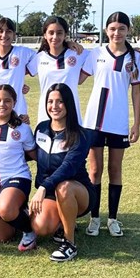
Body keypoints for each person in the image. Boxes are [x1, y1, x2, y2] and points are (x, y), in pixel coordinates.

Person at [81, 11, 140, 237]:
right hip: (94, 122)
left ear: (128, 31)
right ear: (106, 30)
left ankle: (113, 219)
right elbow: (76, 77)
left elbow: (136, 92)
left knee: (115, 169)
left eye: (121, 29)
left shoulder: (135, 57)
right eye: (112, 28)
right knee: (95, 170)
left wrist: (136, 123)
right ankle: (95, 218)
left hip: (118, 122)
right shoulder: (95, 53)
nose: (116, 33)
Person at [30, 83, 95, 262]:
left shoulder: (80, 135)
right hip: (51, 193)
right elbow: (30, 153)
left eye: (60, 102)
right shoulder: (41, 128)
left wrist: (43, 188)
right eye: (50, 101)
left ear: (68, 104)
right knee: (40, 227)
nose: (54, 106)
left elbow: (68, 168)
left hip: (77, 193)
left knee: (64, 186)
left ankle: (69, 243)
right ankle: (63, 223)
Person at [0, 84, 36, 251]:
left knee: (5, 209)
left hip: (17, 177)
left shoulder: (23, 128)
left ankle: (30, 231)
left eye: (7, 101)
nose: (2, 104)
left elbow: (34, 154)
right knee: (3, 237)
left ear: (14, 103)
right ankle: (21, 212)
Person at [27, 16, 89, 125]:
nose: (55, 37)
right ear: (45, 35)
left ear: (65, 35)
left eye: (59, 33)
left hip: (71, 112)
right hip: (47, 112)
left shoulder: (77, 53)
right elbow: (15, 72)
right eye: (51, 33)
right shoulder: (39, 58)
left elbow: (102, 58)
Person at [0, 17, 35, 123]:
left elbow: (46, 56)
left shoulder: (23, 52)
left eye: (8, 31)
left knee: (19, 138)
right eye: (0, 31)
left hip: (18, 109)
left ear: (14, 35)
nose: (4, 35)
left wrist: (20, 77)